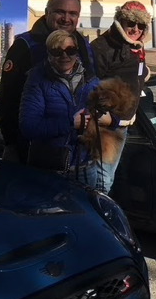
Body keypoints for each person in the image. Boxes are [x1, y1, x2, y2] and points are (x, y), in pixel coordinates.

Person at [0, 0, 93, 163]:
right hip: (34, 148)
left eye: (72, 13)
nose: (66, 18)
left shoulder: (83, 45)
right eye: (60, 12)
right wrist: (11, 143)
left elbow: (92, 82)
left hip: (78, 152)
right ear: (47, 12)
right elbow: (7, 97)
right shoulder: (25, 45)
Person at [19, 30, 101, 186]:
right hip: (50, 167)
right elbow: (28, 127)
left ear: (77, 52)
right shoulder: (38, 79)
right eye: (57, 52)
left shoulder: (90, 78)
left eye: (70, 50)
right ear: (49, 54)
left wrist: (110, 119)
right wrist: (70, 122)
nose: (65, 56)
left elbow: (113, 108)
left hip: (85, 165)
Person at [91, 1, 151, 93]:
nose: (135, 30)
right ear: (121, 23)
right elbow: (91, 84)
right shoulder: (101, 47)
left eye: (141, 25)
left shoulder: (138, 46)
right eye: (131, 23)